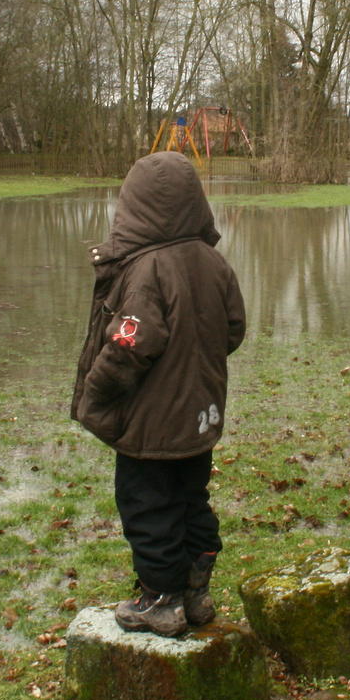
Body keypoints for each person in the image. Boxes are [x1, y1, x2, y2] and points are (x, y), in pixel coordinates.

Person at [71, 152, 246, 637]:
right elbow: (233, 329)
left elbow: (129, 346)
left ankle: (160, 599)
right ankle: (196, 589)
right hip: (199, 417)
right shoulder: (213, 262)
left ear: (134, 207)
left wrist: (96, 392)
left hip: (151, 423)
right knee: (191, 496)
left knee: (146, 503)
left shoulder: (146, 270)